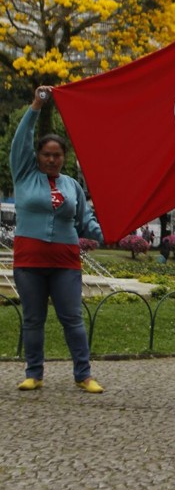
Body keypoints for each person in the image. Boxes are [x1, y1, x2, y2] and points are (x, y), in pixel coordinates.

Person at [10, 86, 104, 393]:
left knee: (72, 319)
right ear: (37, 156)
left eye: (57, 155)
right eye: (46, 154)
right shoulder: (24, 174)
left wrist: (109, 234)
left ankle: (83, 374)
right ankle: (33, 373)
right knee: (33, 320)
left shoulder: (72, 185)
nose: (52, 160)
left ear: (64, 157)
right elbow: (20, 140)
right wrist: (35, 106)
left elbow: (85, 221)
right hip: (29, 260)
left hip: (66, 262)